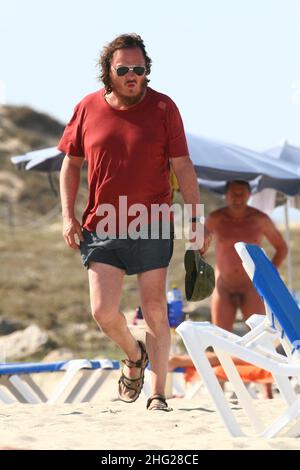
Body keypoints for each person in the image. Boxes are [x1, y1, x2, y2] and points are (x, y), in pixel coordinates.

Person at [58, 33, 211, 412]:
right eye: (123, 69)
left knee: (155, 309)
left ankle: (158, 394)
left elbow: (183, 166)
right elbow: (71, 163)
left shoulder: (164, 109)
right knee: (103, 311)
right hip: (102, 223)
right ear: (108, 72)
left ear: (147, 71)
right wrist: (67, 215)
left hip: (153, 221)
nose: (131, 75)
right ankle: (134, 353)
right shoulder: (87, 108)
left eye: (138, 69)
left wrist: (197, 219)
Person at [205, 180, 288, 332]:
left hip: (252, 285)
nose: (237, 198)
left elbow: (281, 248)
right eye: (233, 194)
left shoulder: (260, 219)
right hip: (223, 285)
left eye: (241, 194)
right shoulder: (215, 219)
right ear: (226, 196)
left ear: (249, 195)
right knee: (219, 338)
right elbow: (196, 247)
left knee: (258, 338)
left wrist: (267, 274)